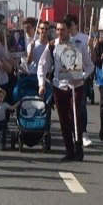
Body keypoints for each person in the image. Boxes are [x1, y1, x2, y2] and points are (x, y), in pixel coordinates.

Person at [37, 19, 93, 162]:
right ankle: (69, 149)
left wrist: (81, 76)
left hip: (75, 86)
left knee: (75, 116)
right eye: (58, 30)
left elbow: (89, 66)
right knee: (63, 119)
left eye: (63, 30)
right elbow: (43, 65)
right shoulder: (52, 46)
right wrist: (41, 84)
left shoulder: (78, 45)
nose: (60, 33)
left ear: (69, 30)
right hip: (59, 86)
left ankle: (78, 146)